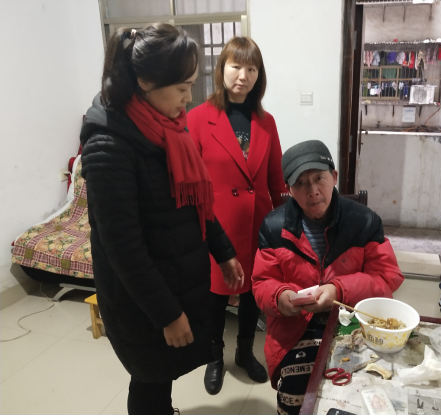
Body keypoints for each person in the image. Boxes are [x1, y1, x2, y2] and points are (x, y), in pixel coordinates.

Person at [80, 24, 244, 415]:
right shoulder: (108, 145)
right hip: (141, 300)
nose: (189, 98)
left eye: (192, 85)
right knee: (149, 379)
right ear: (144, 82)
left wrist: (223, 251)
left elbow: (195, 202)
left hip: (172, 278)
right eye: (182, 88)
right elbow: (123, 248)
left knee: (159, 374)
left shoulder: (167, 127)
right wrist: (167, 314)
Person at [251, 140, 404, 415]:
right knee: (296, 397)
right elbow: (262, 282)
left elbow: (387, 277)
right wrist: (279, 298)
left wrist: (338, 289)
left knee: (372, 396)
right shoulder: (273, 227)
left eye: (319, 178)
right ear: (289, 189)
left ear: (334, 177)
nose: (312, 191)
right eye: (301, 183)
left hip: (354, 321)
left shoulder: (364, 221)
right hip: (296, 327)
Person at [187, 37, 287, 394]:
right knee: (215, 296)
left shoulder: (266, 122)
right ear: (222, 69)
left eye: (251, 68)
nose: (243, 75)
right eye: (236, 66)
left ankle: (245, 352)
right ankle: (214, 357)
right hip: (217, 226)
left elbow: (276, 179)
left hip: (258, 225)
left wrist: (285, 225)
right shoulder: (197, 118)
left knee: (251, 294)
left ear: (259, 75)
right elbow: (190, 181)